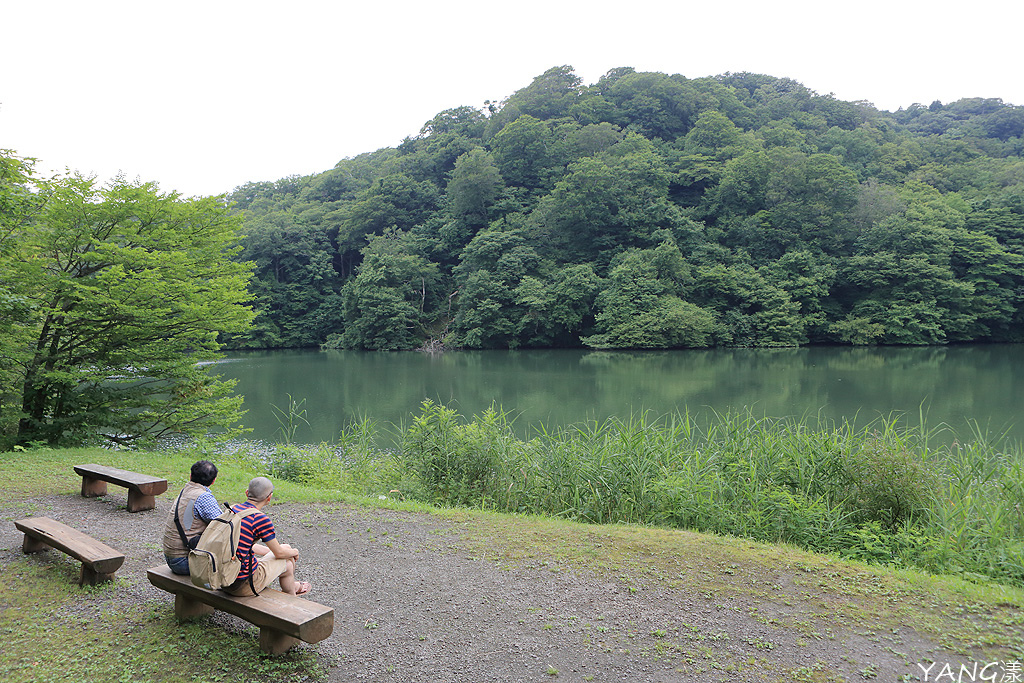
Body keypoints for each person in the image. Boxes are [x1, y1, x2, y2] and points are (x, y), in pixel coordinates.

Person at [222, 476, 311, 597]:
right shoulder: (259, 518)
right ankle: (291, 599)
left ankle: (292, 587)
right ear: (269, 498)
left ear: (247, 493)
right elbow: (279, 553)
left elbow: (241, 544)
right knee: (288, 563)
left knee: (285, 548)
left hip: (222, 578)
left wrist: (273, 552)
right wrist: (295, 552)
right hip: (242, 585)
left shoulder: (232, 509)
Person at [162, 460, 222, 575]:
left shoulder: (186, 490)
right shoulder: (203, 497)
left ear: (190, 476)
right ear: (214, 481)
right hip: (184, 560)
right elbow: (223, 525)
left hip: (171, 556)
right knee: (232, 565)